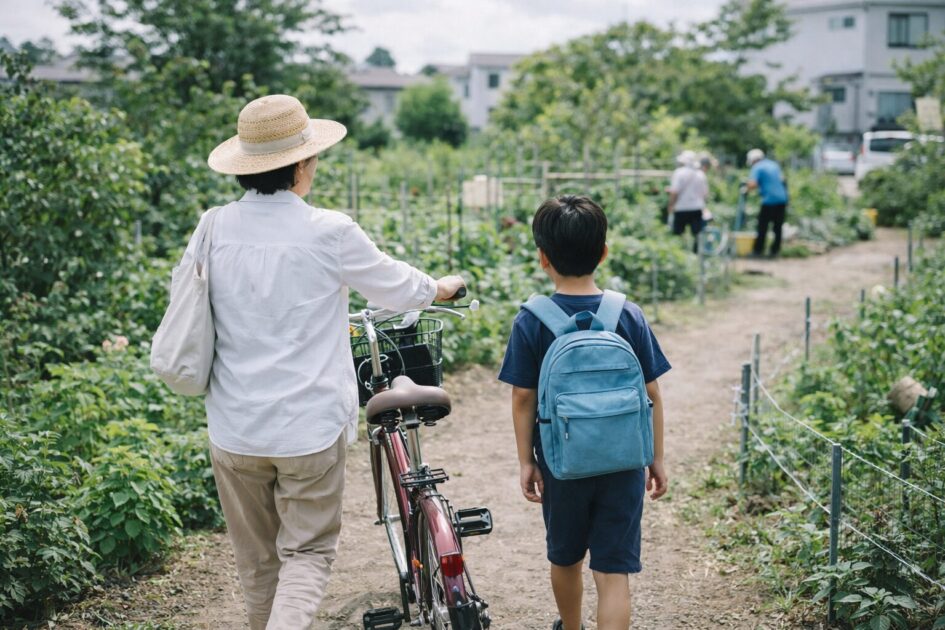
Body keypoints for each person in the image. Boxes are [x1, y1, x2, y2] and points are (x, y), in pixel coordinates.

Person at [192, 94, 464, 630]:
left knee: (258, 562)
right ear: (300, 165)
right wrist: (440, 287)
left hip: (235, 427)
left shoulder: (212, 227)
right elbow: (397, 285)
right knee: (307, 554)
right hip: (307, 429)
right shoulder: (329, 231)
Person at [497, 195, 671, 630]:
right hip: (624, 463)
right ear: (604, 252)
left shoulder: (531, 320)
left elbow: (523, 398)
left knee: (566, 558)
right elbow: (651, 392)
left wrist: (526, 461)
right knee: (613, 572)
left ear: (543, 258)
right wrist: (656, 457)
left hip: (562, 465)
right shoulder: (627, 315)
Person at [746, 148, 789, 257]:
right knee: (778, 227)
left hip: (769, 200)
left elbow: (753, 184)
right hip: (782, 199)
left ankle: (758, 251)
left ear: (753, 160)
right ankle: (775, 251)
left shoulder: (757, 167)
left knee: (762, 226)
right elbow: (783, 180)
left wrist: (746, 189)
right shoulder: (774, 165)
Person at [667, 150, 708, 252]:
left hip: (681, 208)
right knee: (697, 234)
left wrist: (671, 205)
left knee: (678, 234)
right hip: (696, 208)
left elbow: (674, 192)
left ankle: (680, 254)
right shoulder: (700, 174)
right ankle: (696, 255)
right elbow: (704, 193)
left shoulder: (679, 173)